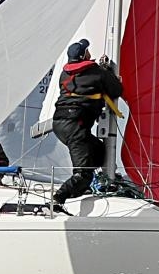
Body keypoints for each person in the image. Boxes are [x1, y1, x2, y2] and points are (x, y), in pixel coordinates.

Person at [52, 38, 124, 208]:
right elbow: (116, 90)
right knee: (83, 174)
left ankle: (82, 190)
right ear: (84, 55)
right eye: (87, 50)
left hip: (59, 125)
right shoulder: (96, 72)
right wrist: (107, 72)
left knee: (100, 154)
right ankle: (58, 198)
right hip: (75, 127)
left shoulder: (64, 74)